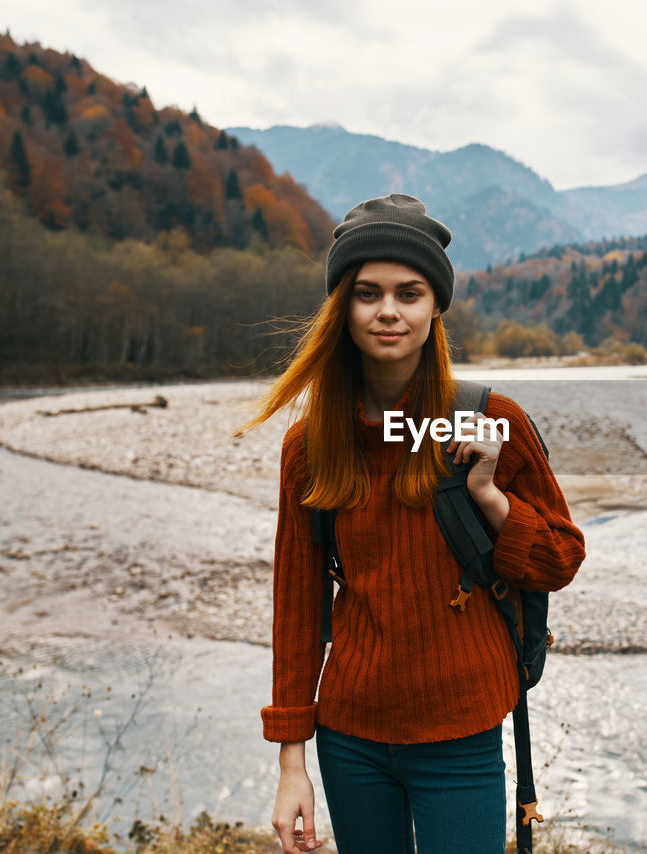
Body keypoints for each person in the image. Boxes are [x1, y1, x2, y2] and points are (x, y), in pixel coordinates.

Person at [235, 193, 586, 854]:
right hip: (352, 738)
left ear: (436, 307)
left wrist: (488, 494)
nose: (388, 311)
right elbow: (297, 605)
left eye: (409, 292)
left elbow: (561, 559)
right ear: (343, 308)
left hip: (462, 736)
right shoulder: (312, 445)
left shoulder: (493, 420)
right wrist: (290, 764)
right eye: (367, 293)